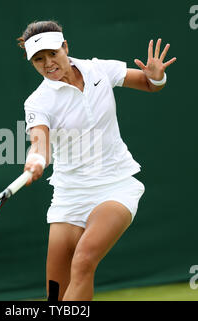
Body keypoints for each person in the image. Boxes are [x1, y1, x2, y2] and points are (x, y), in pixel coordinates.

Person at [17, 20, 176, 301]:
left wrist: (156, 77)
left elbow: (151, 85)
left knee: (84, 261)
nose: (48, 63)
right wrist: (36, 160)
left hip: (115, 186)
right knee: (55, 294)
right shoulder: (37, 102)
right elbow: (39, 142)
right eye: (38, 59)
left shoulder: (98, 70)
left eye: (53, 54)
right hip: (69, 196)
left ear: (65, 47)